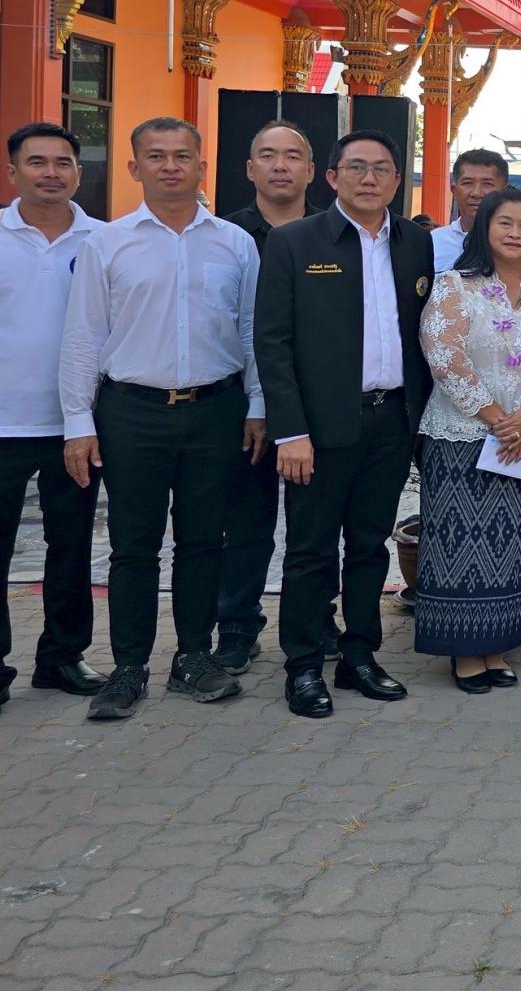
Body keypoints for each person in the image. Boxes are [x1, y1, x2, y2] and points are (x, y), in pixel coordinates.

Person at [60, 118, 265, 720]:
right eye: (156, 156)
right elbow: (83, 336)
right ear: (134, 168)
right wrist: (78, 420)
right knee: (133, 545)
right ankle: (128, 668)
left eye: (182, 156)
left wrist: (256, 404)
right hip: (131, 412)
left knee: (203, 541)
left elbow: (252, 331)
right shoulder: (106, 244)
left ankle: (194, 658)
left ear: (202, 167)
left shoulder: (234, 243)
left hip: (215, 410)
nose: (170, 166)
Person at [254, 130, 434, 718]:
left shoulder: (415, 245)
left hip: (391, 421)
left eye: (382, 168)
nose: (369, 178)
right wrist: (290, 431)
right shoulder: (293, 243)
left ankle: (360, 655)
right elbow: (273, 345)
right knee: (309, 551)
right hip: (319, 428)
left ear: (397, 180)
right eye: (356, 167)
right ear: (330, 177)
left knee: (368, 546)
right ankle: (304, 666)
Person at [417, 188, 521, 692]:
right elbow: (444, 356)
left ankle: (498, 644)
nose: (515, 233)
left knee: (517, 545)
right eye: (504, 223)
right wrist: (495, 418)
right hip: (465, 437)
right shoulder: (454, 287)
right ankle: (465, 651)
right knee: (462, 545)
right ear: (485, 229)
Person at [0, 124, 103, 709]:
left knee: (71, 547)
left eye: (63, 163)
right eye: (36, 162)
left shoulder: (104, 240)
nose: (51, 173)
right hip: (3, 422)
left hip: (76, 425)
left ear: (78, 174)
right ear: (14, 172)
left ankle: (62, 657)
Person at [215, 120, 323, 675]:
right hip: (246, 409)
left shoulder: (337, 235)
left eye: (292, 156)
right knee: (247, 522)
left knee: (317, 528)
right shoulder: (225, 237)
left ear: (311, 170)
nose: (280, 165)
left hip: (323, 408)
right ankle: (236, 626)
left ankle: (315, 622)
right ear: (249, 168)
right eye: (267, 155)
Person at [431, 148, 510, 273]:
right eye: (468, 183)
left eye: (487, 184)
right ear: (454, 191)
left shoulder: (514, 242)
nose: (476, 193)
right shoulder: (433, 242)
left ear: (505, 192)